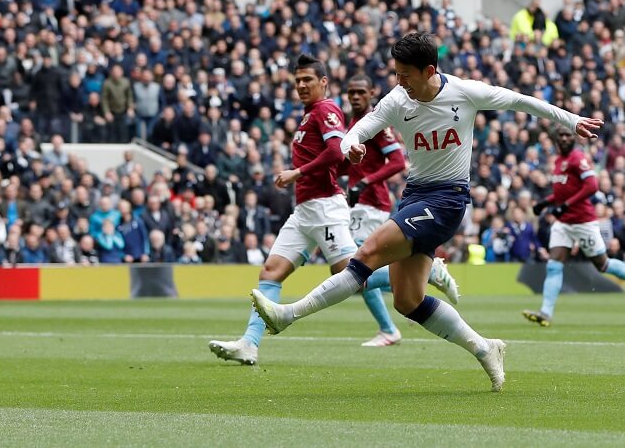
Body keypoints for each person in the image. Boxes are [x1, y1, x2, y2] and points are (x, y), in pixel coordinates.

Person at [250, 33, 602, 392]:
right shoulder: (399, 99)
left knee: (367, 253)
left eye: (406, 75)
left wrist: (571, 121)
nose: (399, 82)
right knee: (407, 300)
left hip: (448, 199)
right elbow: (358, 129)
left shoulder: (465, 92)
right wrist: (351, 145)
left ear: (429, 70)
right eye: (396, 74)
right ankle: (485, 348)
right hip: (415, 196)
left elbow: (520, 101)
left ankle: (287, 315)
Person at [208, 53, 358, 365]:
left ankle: (426, 272)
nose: (301, 85)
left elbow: (332, 151)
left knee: (350, 273)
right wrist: (345, 162)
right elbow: (336, 159)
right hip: (305, 210)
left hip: (325, 206)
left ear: (324, 82)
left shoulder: (326, 109)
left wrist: (297, 173)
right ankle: (249, 344)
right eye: (298, 81)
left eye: (308, 80)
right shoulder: (308, 115)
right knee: (271, 271)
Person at [345, 74, 460, 348]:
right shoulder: (354, 125)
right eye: (351, 92)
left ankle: (390, 326)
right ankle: (390, 325)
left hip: (372, 203)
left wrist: (365, 181)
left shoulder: (378, 126)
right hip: (358, 204)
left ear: (372, 93)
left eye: (361, 92)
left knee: (356, 269)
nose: (355, 97)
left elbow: (397, 161)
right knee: (355, 272)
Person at [524, 127, 625, 326]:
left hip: (583, 221)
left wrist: (565, 206)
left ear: (574, 139)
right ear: (555, 139)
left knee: (603, 265)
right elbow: (563, 192)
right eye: (560, 135)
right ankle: (545, 313)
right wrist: (545, 203)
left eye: (568, 135)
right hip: (564, 223)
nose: (564, 138)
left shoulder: (578, 158)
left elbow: (592, 186)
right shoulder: (559, 161)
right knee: (554, 265)